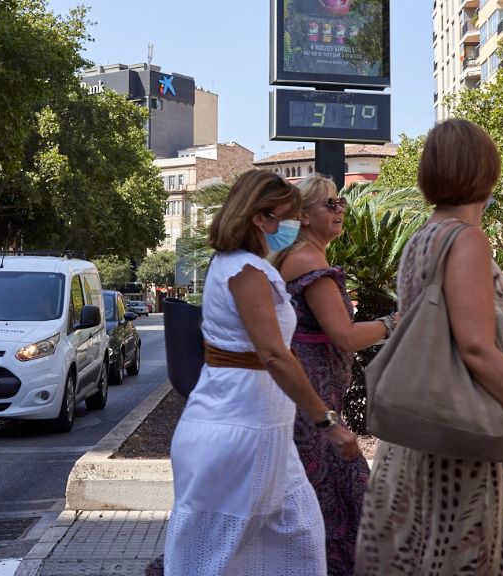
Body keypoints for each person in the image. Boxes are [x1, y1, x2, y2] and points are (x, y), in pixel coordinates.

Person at [355, 118, 503, 575]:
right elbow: (476, 348)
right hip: (467, 447)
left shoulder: (421, 240)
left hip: (425, 434)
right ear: (486, 171)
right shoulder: (466, 240)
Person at [161, 169, 360, 576]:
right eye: (286, 216)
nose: (294, 224)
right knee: (212, 557)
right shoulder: (245, 271)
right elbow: (273, 354)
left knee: (299, 542)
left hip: (264, 429)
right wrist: (328, 422)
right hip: (238, 432)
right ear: (259, 218)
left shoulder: (243, 265)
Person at [273, 174, 396, 576]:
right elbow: (344, 335)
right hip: (313, 406)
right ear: (304, 216)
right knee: (349, 504)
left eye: (340, 202)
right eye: (329, 204)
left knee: (324, 508)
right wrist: (393, 323)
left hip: (310, 401)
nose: (340, 209)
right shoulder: (309, 262)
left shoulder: (301, 257)